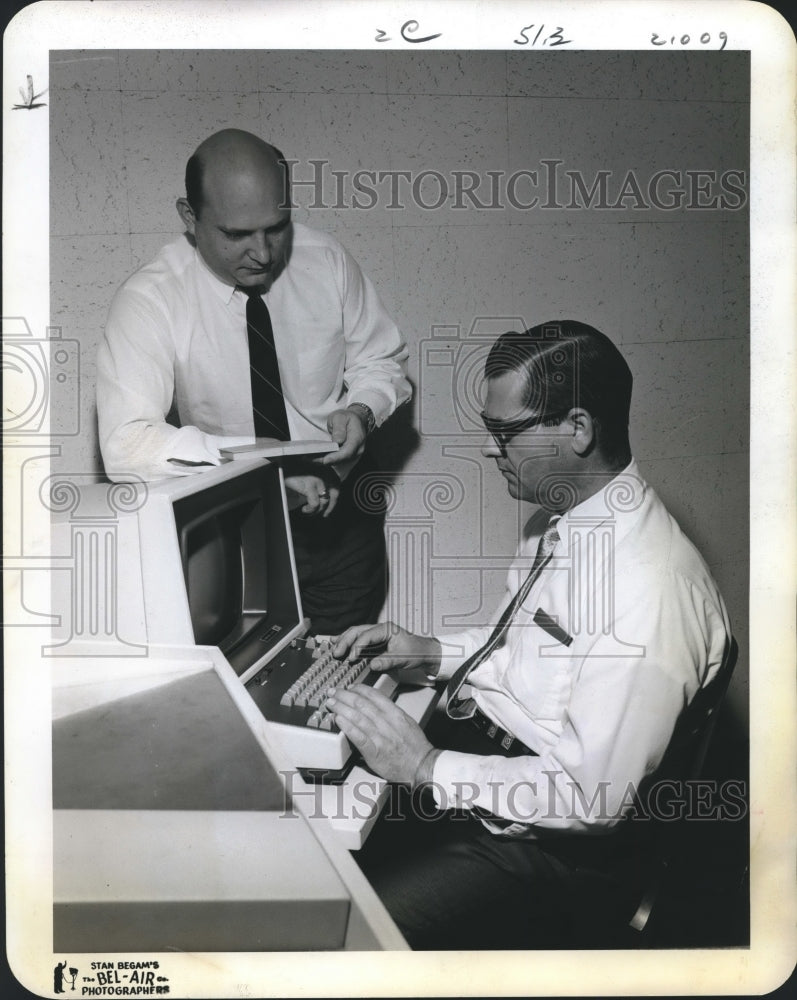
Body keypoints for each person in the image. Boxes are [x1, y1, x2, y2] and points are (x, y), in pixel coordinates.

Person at [327, 320, 732, 949]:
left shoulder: (649, 588)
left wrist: (426, 766)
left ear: (577, 428)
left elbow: (593, 798)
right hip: (496, 773)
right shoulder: (560, 522)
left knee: (346, 931)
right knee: (315, 848)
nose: (492, 449)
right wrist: (429, 653)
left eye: (504, 432)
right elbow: (519, 654)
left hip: (556, 845)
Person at [97, 129, 411, 631]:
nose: (263, 254)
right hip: (234, 536)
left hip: (343, 526)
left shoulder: (326, 260)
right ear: (189, 217)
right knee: (248, 690)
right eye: (237, 235)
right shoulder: (150, 299)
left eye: (276, 227)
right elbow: (126, 445)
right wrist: (266, 470)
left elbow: (381, 358)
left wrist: (363, 409)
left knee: (344, 683)